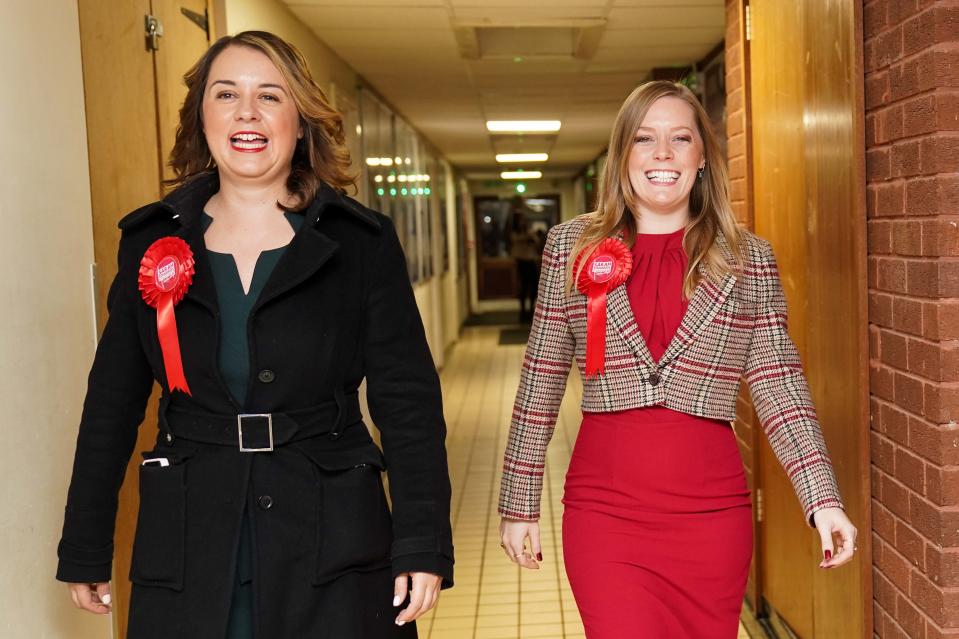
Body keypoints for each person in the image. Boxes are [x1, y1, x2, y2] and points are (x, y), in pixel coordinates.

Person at [56, 31, 452, 639]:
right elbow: (111, 402)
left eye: (269, 96)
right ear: (203, 119)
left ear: (300, 121)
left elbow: (408, 403)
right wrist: (85, 540)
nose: (247, 113)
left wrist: (422, 542)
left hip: (331, 543)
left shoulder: (360, 243)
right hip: (192, 541)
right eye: (226, 95)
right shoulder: (150, 243)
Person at [497, 81, 857, 638]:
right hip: (606, 516)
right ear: (623, 157)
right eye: (645, 139)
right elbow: (540, 382)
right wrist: (519, 501)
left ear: (702, 159)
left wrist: (822, 498)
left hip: (711, 521)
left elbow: (779, 384)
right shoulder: (573, 248)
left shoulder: (746, 259)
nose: (663, 154)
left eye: (680, 139)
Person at [509, 209, 540, 323]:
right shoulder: (514, 232)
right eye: (519, 219)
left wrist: (531, 237)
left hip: (531, 260)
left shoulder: (529, 230)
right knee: (523, 286)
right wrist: (526, 238)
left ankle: (531, 310)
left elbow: (536, 241)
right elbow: (515, 241)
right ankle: (522, 311)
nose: (522, 221)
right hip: (521, 261)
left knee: (534, 286)